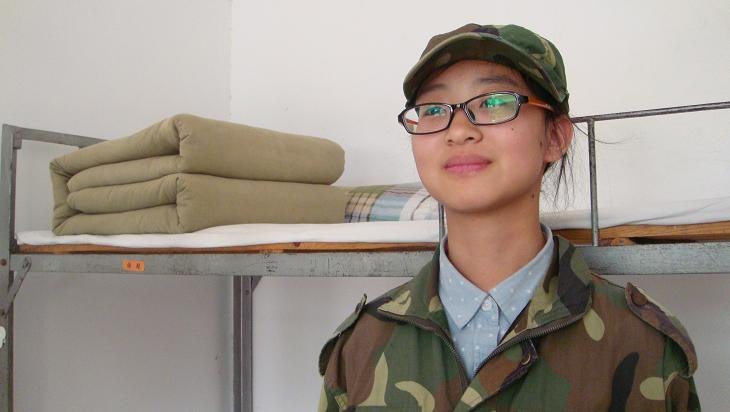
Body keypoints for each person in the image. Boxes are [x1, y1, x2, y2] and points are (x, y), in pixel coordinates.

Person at [318, 24, 699, 411]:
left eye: (495, 102)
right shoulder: (360, 345)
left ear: (555, 137)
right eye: (433, 110)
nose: (459, 131)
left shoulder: (644, 344)